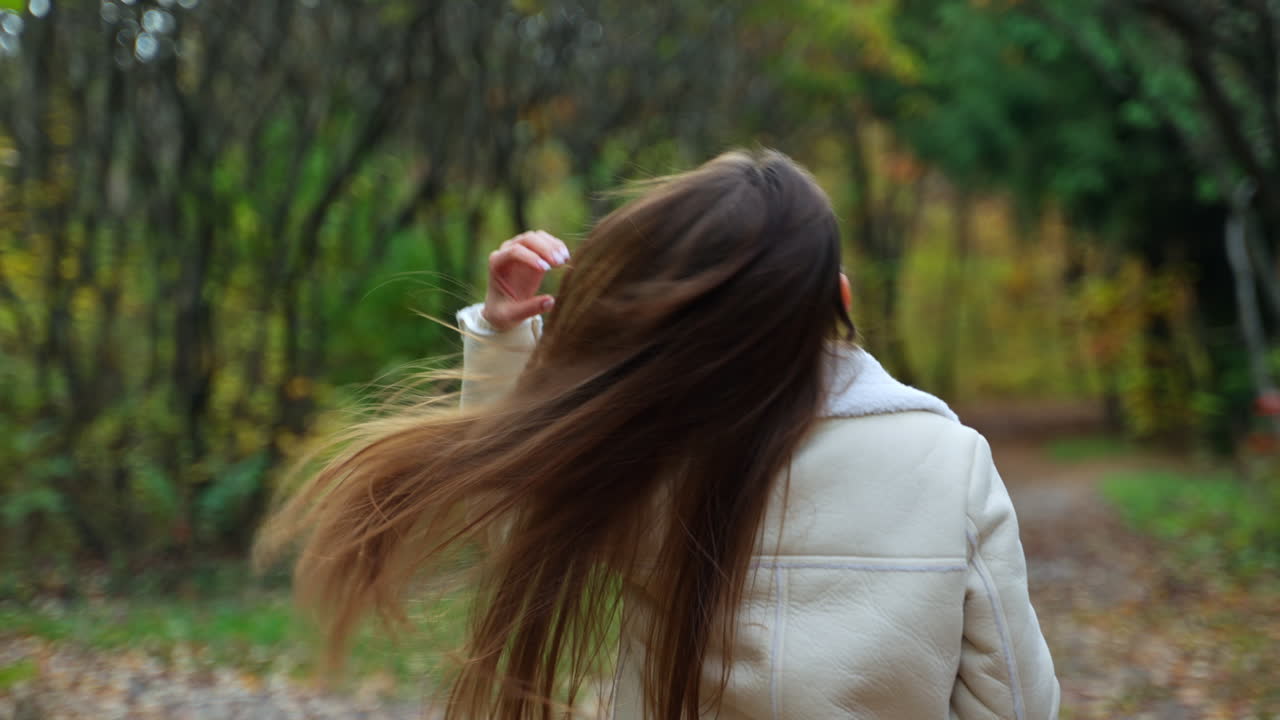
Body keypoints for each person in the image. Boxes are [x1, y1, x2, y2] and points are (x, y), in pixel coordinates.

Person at [258, 150, 1059, 719]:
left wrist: (503, 343)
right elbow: (1017, 701)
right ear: (837, 295)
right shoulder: (950, 463)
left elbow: (515, 525)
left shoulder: (654, 452)